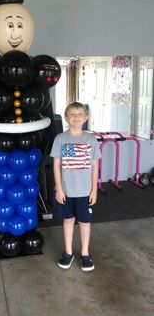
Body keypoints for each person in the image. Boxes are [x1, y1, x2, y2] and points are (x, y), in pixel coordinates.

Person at [50, 102, 101, 272]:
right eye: (72, 114)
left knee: (85, 222)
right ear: (66, 117)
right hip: (66, 191)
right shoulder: (60, 139)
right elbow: (56, 166)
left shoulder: (91, 139)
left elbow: (95, 166)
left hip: (85, 191)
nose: (76, 117)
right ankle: (68, 252)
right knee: (68, 220)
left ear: (86, 118)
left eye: (80, 114)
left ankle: (85, 254)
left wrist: (94, 189)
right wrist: (59, 188)